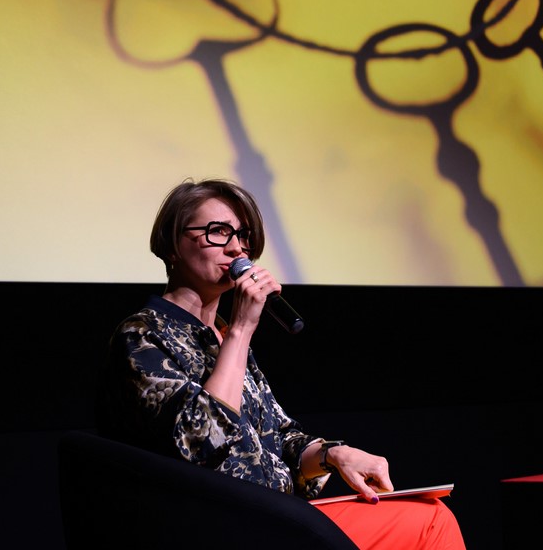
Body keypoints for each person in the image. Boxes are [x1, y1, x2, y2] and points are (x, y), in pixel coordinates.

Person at [99, 177, 465, 549]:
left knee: (428, 509)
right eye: (218, 231)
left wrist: (333, 454)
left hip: (276, 515)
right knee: (429, 522)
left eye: (243, 236)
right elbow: (201, 443)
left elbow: (283, 438)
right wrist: (242, 330)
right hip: (220, 524)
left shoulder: (224, 335)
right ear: (171, 244)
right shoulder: (142, 335)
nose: (237, 249)